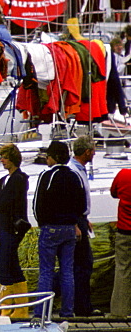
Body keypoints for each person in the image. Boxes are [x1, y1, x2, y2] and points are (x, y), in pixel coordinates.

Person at [33, 140, 85, 319]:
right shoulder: (74, 175)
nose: (46, 159)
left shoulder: (47, 176)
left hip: (51, 228)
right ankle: (67, 312)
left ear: (54, 158)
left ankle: (41, 314)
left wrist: (42, 223)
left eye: (48, 156)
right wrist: (74, 222)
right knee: (67, 271)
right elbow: (82, 204)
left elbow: (37, 204)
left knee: (46, 271)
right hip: (70, 229)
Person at [0, 143, 30, 317]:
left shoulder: (18, 179)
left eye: (4, 157)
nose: (1, 160)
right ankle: (13, 307)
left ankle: (15, 308)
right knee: (10, 265)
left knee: (7, 265)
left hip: (13, 228)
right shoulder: (5, 180)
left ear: (12, 159)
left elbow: (1, 203)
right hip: (4, 227)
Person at [68, 135, 98, 317]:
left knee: (80, 264)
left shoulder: (78, 169)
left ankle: (81, 305)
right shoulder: (74, 171)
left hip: (80, 219)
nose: (94, 154)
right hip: (75, 221)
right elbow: (69, 200)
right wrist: (75, 223)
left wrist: (85, 217)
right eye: (93, 150)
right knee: (83, 264)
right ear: (87, 152)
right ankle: (82, 307)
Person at [111, 163, 131, 316]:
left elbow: (113, 193)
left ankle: (120, 311)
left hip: (124, 231)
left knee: (122, 269)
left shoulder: (123, 174)